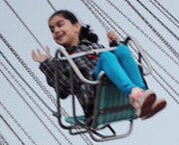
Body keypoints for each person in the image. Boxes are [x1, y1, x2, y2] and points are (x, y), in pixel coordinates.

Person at [32, 10, 166, 122]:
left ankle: (140, 96)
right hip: (94, 97)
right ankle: (136, 94)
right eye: (52, 29)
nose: (56, 30)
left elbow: (116, 62)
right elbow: (62, 90)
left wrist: (114, 44)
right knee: (107, 56)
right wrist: (46, 64)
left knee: (122, 50)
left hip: (117, 89)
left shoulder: (96, 47)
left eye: (60, 25)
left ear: (76, 26)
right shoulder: (62, 59)